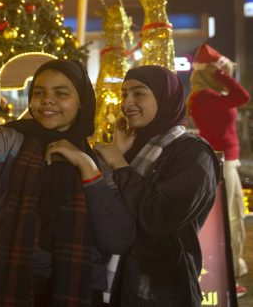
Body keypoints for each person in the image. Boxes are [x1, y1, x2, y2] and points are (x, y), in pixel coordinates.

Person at [0, 59, 135, 307]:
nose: (47, 100)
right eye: (39, 92)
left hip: (74, 290)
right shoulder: (9, 139)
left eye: (61, 93)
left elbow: (117, 239)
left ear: (82, 101)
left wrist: (85, 166)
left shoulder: (98, 162)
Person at [94, 65, 220, 307]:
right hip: (116, 281)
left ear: (165, 98)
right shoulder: (133, 146)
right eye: (124, 94)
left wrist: (120, 165)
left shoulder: (193, 153)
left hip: (157, 291)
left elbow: (159, 217)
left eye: (139, 93)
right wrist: (119, 156)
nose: (127, 102)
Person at [188, 43, 250, 298]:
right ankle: (227, 275)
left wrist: (219, 74)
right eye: (220, 69)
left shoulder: (211, 96)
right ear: (209, 72)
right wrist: (220, 73)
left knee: (235, 218)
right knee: (229, 220)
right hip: (220, 162)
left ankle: (232, 269)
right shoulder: (204, 97)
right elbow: (243, 97)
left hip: (228, 162)